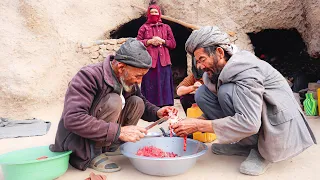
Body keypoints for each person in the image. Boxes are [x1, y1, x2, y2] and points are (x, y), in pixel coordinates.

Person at [171, 26, 316, 176]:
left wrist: (197, 125)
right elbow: (218, 108)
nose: (199, 66)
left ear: (219, 53)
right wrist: (192, 123)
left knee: (227, 92)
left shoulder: (247, 71)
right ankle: (246, 144)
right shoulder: (215, 72)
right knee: (202, 93)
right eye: (197, 61)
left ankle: (263, 151)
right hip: (254, 119)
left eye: (202, 59)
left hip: (279, 123)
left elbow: (250, 122)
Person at [50, 38, 177, 173]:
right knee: (114, 100)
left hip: (107, 133)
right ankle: (95, 153)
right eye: (138, 76)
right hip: (80, 143)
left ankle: (112, 146)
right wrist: (120, 131)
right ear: (121, 67)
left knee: (136, 102)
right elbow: (73, 118)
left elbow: (142, 101)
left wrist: (158, 112)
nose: (139, 81)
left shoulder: (127, 79)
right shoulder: (88, 76)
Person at [137, 4, 176, 107]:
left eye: (156, 12)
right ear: (148, 14)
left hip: (164, 61)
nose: (154, 14)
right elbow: (137, 43)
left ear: (159, 14)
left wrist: (162, 41)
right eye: (152, 12)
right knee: (150, 82)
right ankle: (150, 106)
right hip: (150, 61)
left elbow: (173, 44)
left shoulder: (166, 27)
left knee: (164, 83)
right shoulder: (144, 27)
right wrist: (150, 41)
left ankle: (165, 106)